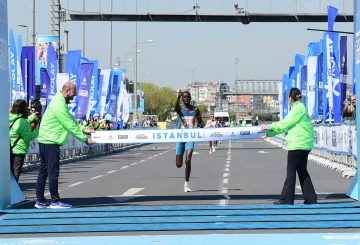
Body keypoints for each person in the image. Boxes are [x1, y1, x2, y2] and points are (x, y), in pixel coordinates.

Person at [35, 82, 95, 209]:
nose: (75, 95)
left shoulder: (59, 101)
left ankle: (40, 200)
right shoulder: (59, 104)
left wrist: (84, 128)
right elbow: (69, 124)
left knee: (44, 171)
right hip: (51, 141)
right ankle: (55, 201)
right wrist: (85, 139)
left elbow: (70, 120)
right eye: (74, 92)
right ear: (67, 91)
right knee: (53, 173)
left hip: (46, 139)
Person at [261, 88, 317, 205]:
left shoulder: (297, 109)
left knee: (291, 172)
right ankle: (311, 198)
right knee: (302, 171)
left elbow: (285, 123)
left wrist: (270, 127)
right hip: (304, 144)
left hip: (297, 144)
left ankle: (286, 199)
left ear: (290, 98)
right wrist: (269, 133)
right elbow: (286, 126)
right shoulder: (301, 108)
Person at [175, 90, 204, 192]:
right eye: (184, 97)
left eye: (188, 97)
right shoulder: (180, 109)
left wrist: (201, 125)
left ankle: (186, 183)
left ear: (190, 98)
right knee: (179, 164)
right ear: (182, 99)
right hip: (180, 137)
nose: (186, 99)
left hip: (190, 138)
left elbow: (201, 122)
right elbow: (175, 108)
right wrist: (178, 97)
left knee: (188, 160)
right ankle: (181, 163)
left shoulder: (195, 109)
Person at [9, 100, 39, 182]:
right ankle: (13, 193)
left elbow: (20, 121)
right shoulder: (23, 122)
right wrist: (37, 131)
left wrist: (32, 117)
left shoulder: (10, 117)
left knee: (9, 173)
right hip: (18, 149)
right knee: (15, 174)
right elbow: (27, 137)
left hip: (9, 147)